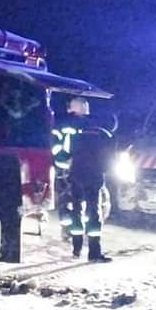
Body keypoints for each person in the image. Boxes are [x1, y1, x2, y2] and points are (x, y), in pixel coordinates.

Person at [51, 96, 112, 262]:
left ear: (72, 109)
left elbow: (59, 153)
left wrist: (62, 166)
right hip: (95, 175)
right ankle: (94, 252)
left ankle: (76, 249)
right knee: (94, 212)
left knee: (74, 210)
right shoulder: (100, 129)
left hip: (73, 175)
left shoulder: (65, 127)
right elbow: (109, 156)